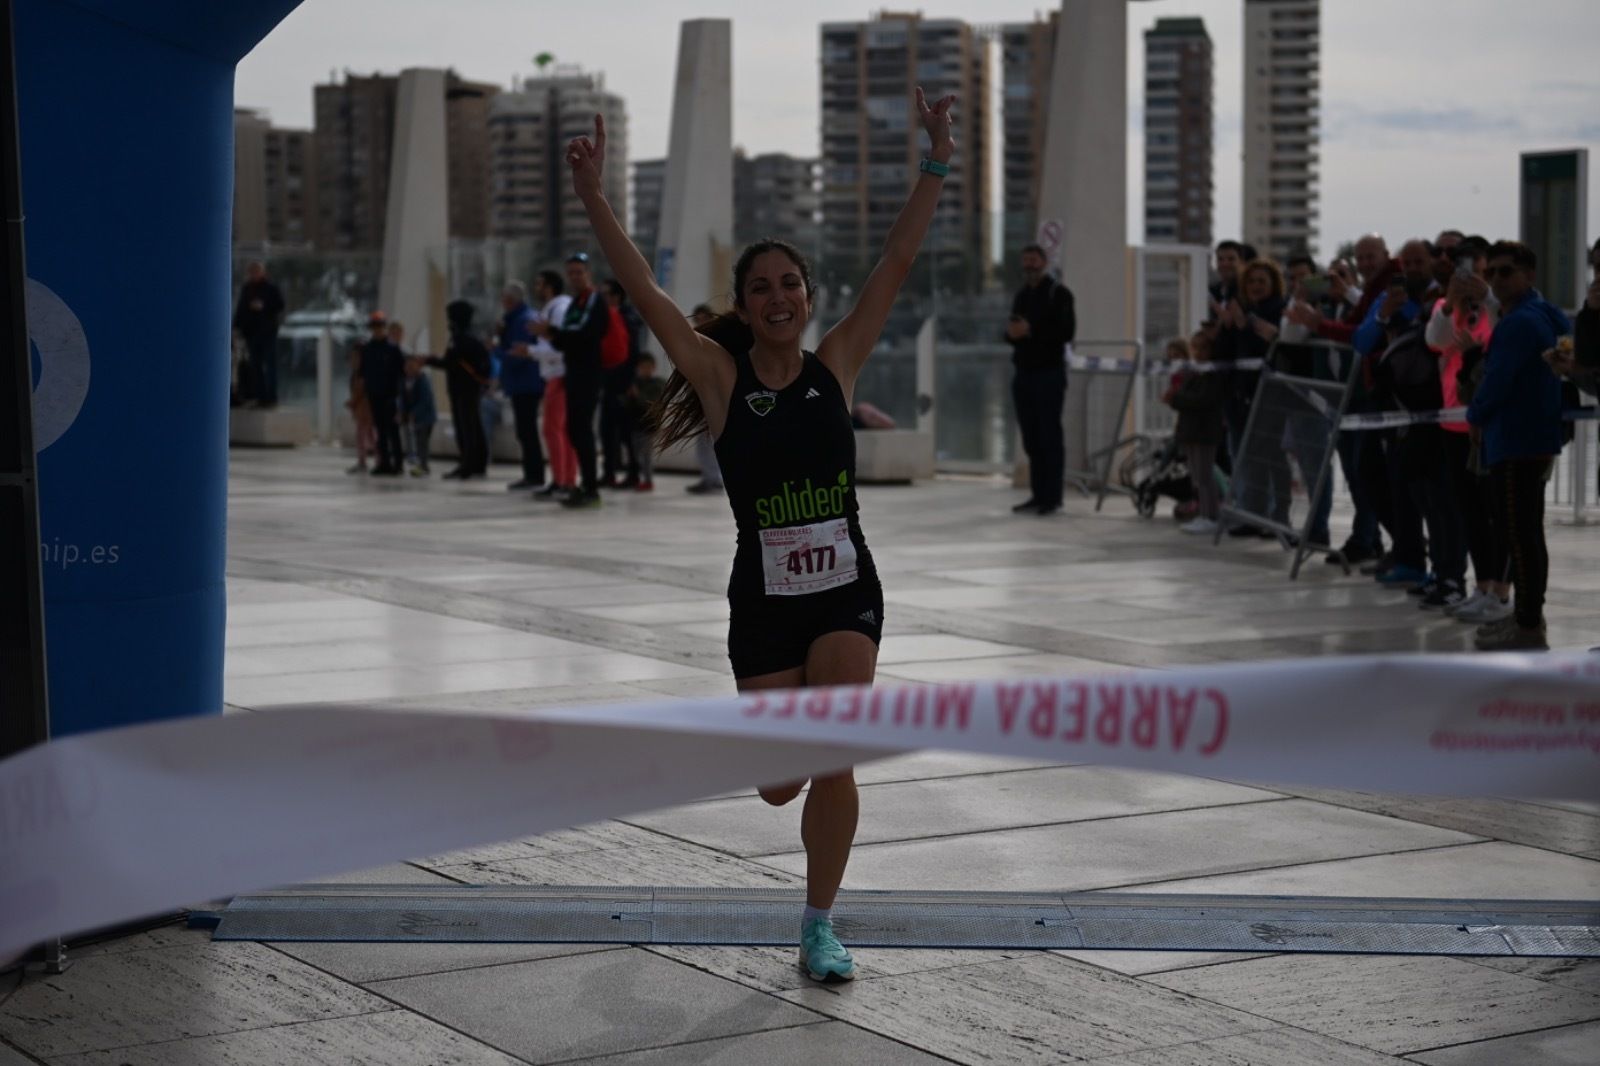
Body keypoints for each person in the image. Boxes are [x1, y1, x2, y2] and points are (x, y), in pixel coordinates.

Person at [567, 87, 957, 982]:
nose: (779, 297)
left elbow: (898, 257)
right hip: (765, 604)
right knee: (782, 777)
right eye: (761, 287)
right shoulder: (716, 375)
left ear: (809, 296)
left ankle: (819, 924)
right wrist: (593, 195)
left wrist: (936, 156)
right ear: (745, 303)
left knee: (836, 752)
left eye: (791, 283)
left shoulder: (839, 362)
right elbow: (643, 289)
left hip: (847, 593)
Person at [1468, 240, 1571, 651]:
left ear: (1528, 274)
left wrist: (1475, 415)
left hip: (1515, 440)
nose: (1496, 279)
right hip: (1536, 437)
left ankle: (1527, 625)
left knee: (1519, 534)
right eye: (1491, 272)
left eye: (1505, 271)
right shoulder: (1546, 312)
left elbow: (1497, 380)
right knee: (1526, 532)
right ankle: (1527, 616)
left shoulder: (1518, 323)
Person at [1424, 236, 1502, 616]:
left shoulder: (1498, 307)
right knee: (1468, 511)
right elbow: (1435, 341)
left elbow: (1502, 333)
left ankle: (1499, 592)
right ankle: (1481, 585)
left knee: (1494, 512)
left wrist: (1486, 296)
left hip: (1489, 424)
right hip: (1453, 424)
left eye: (1477, 266)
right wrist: (1453, 302)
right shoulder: (1444, 306)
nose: (1471, 275)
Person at [1215, 258, 1289, 537]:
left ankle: (1279, 516)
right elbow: (1227, 353)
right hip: (1241, 396)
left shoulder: (1279, 310)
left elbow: (1269, 348)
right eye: (1251, 281)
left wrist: (1246, 326)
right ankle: (1253, 515)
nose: (1256, 286)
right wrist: (1228, 325)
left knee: (1274, 460)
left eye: (1262, 281)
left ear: (1273, 284)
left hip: (1271, 397)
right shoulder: (1243, 311)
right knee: (1251, 459)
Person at [1004, 243, 1076, 515]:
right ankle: (1037, 494)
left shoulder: (1059, 294)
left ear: (1044, 262)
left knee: (1049, 435)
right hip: (1023, 374)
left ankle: (1052, 497)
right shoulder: (1022, 295)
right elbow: (1012, 332)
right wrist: (1013, 334)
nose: (1029, 265)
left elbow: (1066, 332)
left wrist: (1031, 330)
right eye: (1025, 261)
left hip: (1049, 374)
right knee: (1031, 437)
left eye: (1033, 260)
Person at [533, 253, 609, 509]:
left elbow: (585, 335)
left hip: (588, 373)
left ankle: (590, 488)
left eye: (579, 272)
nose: (575, 277)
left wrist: (553, 333)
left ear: (588, 273)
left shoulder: (593, 301)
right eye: (572, 273)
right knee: (575, 429)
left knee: (582, 429)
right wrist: (553, 335)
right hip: (573, 373)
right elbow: (566, 341)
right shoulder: (577, 303)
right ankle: (582, 484)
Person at [1166, 332, 1226, 534]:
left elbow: (1202, 400)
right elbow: (1183, 393)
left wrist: (1176, 398)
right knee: (1197, 476)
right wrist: (1175, 398)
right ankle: (1203, 513)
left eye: (1203, 348)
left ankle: (1211, 515)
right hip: (1191, 430)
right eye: (1196, 349)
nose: (1199, 353)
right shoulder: (1194, 371)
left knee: (1204, 475)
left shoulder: (1212, 373)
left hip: (1204, 431)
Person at [426, 300, 492, 480]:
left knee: (465, 427)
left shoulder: (458, 339)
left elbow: (450, 363)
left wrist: (429, 360)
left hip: (461, 389)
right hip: (473, 388)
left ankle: (467, 464)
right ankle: (479, 462)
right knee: (475, 424)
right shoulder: (474, 336)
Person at [531, 271, 578, 499]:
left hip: (559, 375)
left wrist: (530, 351)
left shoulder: (558, 309)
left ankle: (561, 480)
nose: (536, 288)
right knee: (565, 431)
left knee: (553, 429)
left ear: (548, 287)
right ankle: (566, 479)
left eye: (539, 284)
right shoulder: (558, 307)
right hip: (560, 375)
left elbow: (558, 346)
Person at [496, 281, 547, 492]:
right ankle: (532, 474)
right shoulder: (517, 319)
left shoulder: (523, 320)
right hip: (522, 383)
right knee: (524, 431)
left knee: (527, 432)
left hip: (526, 383)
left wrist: (496, 350)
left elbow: (517, 355)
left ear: (510, 300)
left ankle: (534, 475)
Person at [600, 278, 644, 487]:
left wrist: (630, 382)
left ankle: (633, 472)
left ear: (616, 296)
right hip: (608, 381)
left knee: (626, 431)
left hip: (622, 383)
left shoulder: (628, 319)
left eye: (606, 294)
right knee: (606, 429)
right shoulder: (606, 317)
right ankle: (608, 471)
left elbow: (632, 354)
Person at [684, 303, 727, 495]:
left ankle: (714, 478)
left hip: (715, 394)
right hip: (699, 393)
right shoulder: (693, 339)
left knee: (710, 440)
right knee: (704, 441)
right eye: (698, 319)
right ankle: (710, 477)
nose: (701, 322)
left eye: (704, 318)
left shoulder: (718, 340)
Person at [232, 261, 286, 407]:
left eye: (257, 271)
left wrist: (263, 306)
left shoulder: (271, 288)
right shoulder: (247, 289)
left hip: (268, 332)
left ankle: (271, 397)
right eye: (252, 272)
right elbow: (241, 309)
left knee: (270, 365)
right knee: (255, 365)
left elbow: (280, 305)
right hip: (252, 333)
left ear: (262, 272)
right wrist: (236, 328)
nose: (254, 274)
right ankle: (260, 396)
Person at [359, 311, 405, 476]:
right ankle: (383, 462)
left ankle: (398, 463)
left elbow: (401, 373)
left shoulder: (393, 349)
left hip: (390, 395)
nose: (377, 330)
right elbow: (363, 373)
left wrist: (399, 396)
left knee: (393, 430)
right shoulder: (368, 349)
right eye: (374, 326)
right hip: (374, 395)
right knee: (381, 431)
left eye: (379, 326)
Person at [624, 351, 665, 491]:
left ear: (653, 367)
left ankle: (648, 480)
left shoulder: (657, 384)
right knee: (637, 455)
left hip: (649, 426)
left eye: (648, 367)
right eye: (642, 367)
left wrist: (637, 396)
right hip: (636, 425)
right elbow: (629, 405)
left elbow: (651, 402)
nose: (645, 370)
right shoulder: (636, 382)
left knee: (646, 456)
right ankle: (641, 478)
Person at [400, 356, 438, 476]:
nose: (409, 369)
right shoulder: (405, 381)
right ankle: (421, 464)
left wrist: (414, 412)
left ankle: (424, 465)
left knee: (422, 442)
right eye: (407, 367)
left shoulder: (423, 381)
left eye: (412, 367)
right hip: (416, 419)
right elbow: (403, 399)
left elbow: (426, 400)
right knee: (418, 441)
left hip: (426, 418)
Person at [344, 345, 375, 475]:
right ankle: (362, 461)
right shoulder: (354, 375)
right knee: (363, 436)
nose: (353, 361)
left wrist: (352, 402)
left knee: (369, 436)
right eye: (352, 358)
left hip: (366, 411)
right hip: (360, 412)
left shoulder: (364, 375)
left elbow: (360, 391)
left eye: (356, 358)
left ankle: (376, 460)